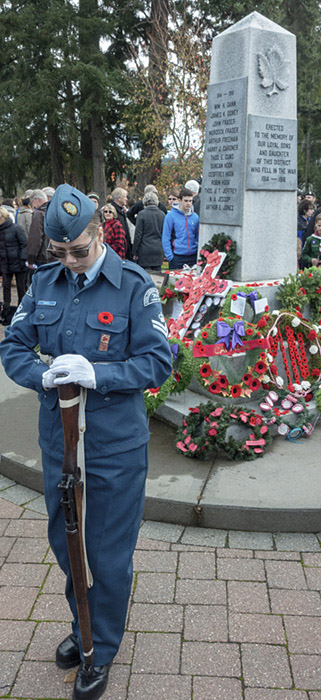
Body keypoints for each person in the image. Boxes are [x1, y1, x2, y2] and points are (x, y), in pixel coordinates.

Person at [0, 184, 172, 700]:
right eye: (60, 253)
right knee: (65, 543)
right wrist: (42, 373)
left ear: (99, 231)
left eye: (79, 250)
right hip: (60, 440)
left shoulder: (134, 286)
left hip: (114, 445)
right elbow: (13, 346)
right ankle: (83, 628)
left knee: (107, 553)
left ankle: (103, 645)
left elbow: (159, 361)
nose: (71, 261)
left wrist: (97, 373)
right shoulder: (46, 283)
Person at [162, 187, 199, 270]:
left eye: (190, 201)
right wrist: (170, 257)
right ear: (179, 200)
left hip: (193, 256)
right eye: (186, 201)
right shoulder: (170, 216)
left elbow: (198, 235)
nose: (188, 203)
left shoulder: (195, 217)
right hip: (177, 257)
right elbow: (165, 237)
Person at [0, 205, 27, 311]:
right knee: (6, 287)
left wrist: (22, 259)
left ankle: (22, 307)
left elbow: (24, 244)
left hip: (18, 261)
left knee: (21, 287)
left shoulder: (16, 228)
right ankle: (6, 307)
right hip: (5, 262)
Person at [132, 190, 165, 270]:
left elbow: (138, 235)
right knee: (158, 277)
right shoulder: (162, 214)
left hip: (145, 250)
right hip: (158, 248)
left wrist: (134, 251)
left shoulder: (141, 214)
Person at [27, 189, 49, 270]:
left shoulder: (39, 214)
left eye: (32, 202)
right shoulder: (54, 211)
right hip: (56, 256)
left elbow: (35, 238)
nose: (32, 205)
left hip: (43, 258)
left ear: (36, 199)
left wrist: (31, 259)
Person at [110, 187, 133, 260]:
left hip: (124, 248)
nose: (126, 199)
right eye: (125, 197)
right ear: (119, 198)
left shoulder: (121, 211)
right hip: (118, 250)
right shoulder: (111, 211)